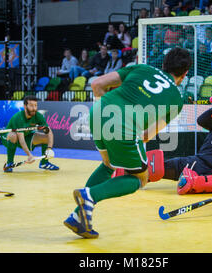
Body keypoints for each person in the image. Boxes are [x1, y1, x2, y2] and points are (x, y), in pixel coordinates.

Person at [64, 47, 193, 239]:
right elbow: (147, 135)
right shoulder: (177, 99)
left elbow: (97, 83)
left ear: (164, 64)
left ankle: (77, 216)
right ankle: (88, 196)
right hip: (123, 125)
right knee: (140, 178)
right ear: (184, 74)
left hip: (98, 113)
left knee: (109, 164)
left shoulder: (142, 68)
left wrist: (105, 113)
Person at [1, 95, 59, 172]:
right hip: (8, 138)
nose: (34, 108)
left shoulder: (38, 116)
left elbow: (49, 131)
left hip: (25, 136)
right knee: (13, 135)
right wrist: (29, 155)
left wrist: (49, 149)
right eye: (31, 106)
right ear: (25, 106)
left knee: (46, 137)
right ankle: (9, 163)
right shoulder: (18, 117)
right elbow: (21, 139)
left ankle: (44, 163)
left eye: (35, 105)